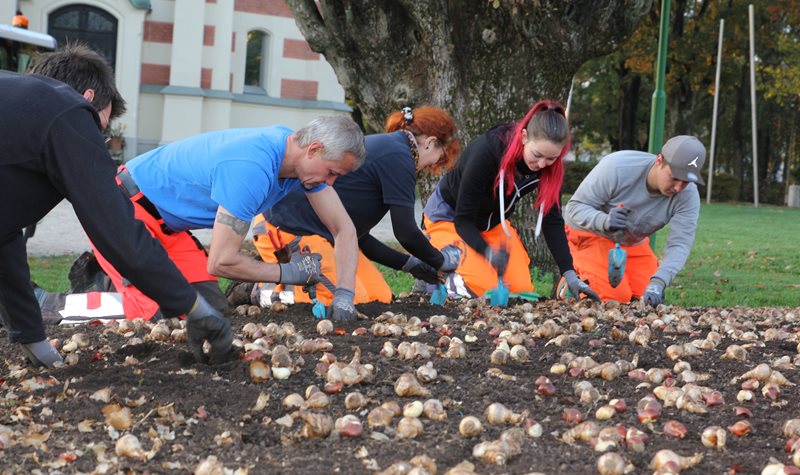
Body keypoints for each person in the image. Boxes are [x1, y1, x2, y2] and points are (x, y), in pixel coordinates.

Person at [0, 44, 233, 368]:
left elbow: (4, 234)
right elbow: (116, 229)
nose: (100, 136)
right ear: (89, 98)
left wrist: (32, 339)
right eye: (104, 123)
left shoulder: (19, 109)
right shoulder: (69, 111)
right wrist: (194, 308)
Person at [91, 116, 366, 322]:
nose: (330, 183)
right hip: (122, 210)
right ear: (314, 149)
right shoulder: (252, 169)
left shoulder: (299, 164)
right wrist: (287, 273)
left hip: (167, 228)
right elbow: (221, 261)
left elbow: (343, 229)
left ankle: (119, 276)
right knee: (155, 319)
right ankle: (65, 300)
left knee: (210, 313)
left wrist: (344, 295)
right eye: (332, 172)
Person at [248, 106, 462, 306]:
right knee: (349, 300)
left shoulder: (393, 150)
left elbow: (359, 238)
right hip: (287, 229)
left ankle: (279, 284)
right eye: (439, 158)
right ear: (430, 142)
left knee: (378, 299)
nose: (431, 166)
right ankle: (261, 292)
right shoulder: (400, 157)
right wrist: (441, 260)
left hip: (323, 237)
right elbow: (405, 232)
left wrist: (409, 264)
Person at [422, 99, 599, 302]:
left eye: (551, 159)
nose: (542, 164)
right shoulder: (488, 151)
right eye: (537, 155)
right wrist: (487, 252)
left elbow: (552, 220)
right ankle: (435, 269)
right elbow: (464, 220)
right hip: (451, 217)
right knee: (479, 290)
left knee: (519, 290)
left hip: (491, 224)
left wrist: (569, 273)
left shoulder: (551, 168)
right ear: (524, 137)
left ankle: (461, 265)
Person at [562, 135, 706, 305]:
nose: (678, 188)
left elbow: (680, 244)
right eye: (674, 178)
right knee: (613, 299)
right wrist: (604, 221)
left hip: (632, 243)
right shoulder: (618, 166)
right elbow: (573, 209)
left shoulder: (688, 196)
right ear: (659, 161)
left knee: (648, 299)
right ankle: (569, 284)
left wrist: (659, 281)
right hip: (589, 234)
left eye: (687, 181)